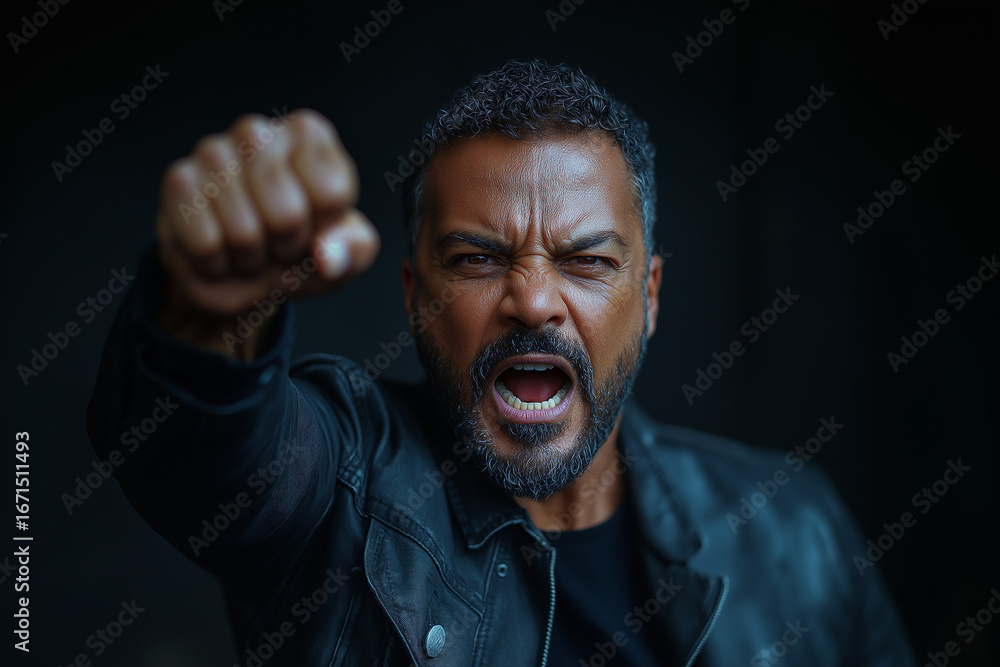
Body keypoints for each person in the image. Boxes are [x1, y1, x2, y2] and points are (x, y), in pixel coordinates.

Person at [87, 59, 914, 666]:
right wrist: (211, 309)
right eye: (477, 259)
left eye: (587, 260)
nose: (531, 300)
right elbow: (215, 447)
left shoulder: (795, 528)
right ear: (414, 295)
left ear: (651, 294)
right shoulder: (341, 495)